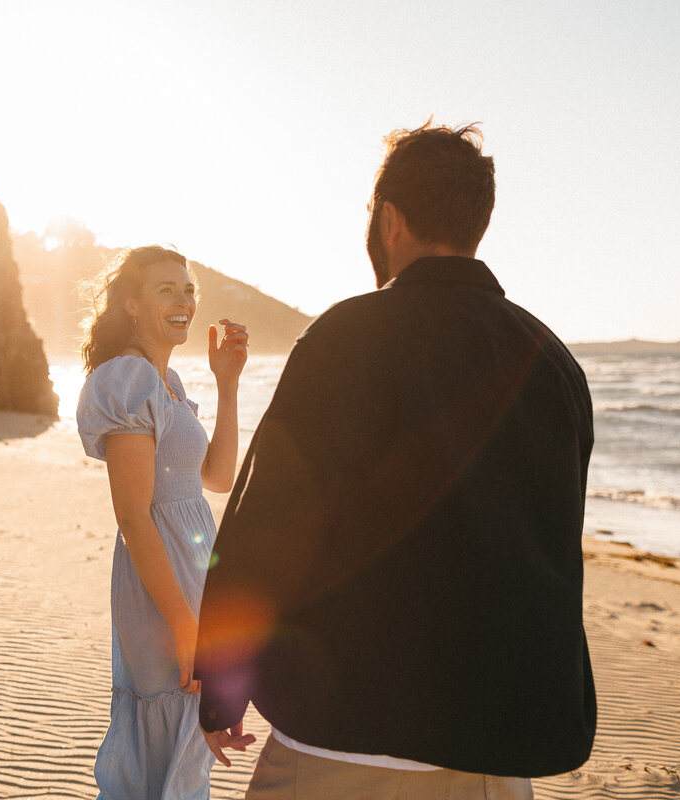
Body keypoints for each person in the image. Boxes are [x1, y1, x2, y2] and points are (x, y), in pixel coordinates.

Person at [194, 122, 596, 799]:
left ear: (389, 220)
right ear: (478, 224)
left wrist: (222, 691)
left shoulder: (345, 337)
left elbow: (268, 526)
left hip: (342, 742)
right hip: (494, 758)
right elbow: (551, 555)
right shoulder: (552, 362)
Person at [76, 245, 256, 799]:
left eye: (188, 290)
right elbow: (133, 514)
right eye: (165, 290)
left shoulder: (168, 384)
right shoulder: (127, 378)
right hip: (160, 581)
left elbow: (218, 477)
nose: (183, 301)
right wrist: (183, 624)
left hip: (191, 565)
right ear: (130, 305)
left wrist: (227, 382)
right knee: (161, 743)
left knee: (184, 740)